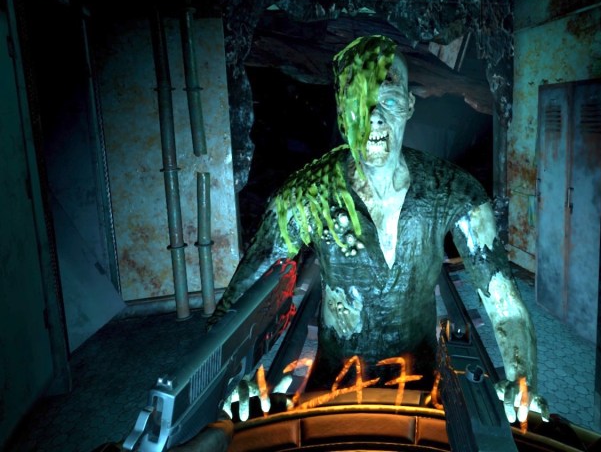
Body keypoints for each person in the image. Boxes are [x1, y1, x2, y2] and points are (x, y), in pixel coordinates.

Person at [208, 34, 546, 423]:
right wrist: (231, 378)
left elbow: (504, 302)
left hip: (424, 383)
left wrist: (521, 379)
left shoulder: (453, 190)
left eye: (388, 99)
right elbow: (240, 300)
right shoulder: (307, 194)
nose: (374, 116)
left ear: (409, 105)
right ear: (341, 111)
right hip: (332, 385)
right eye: (359, 100)